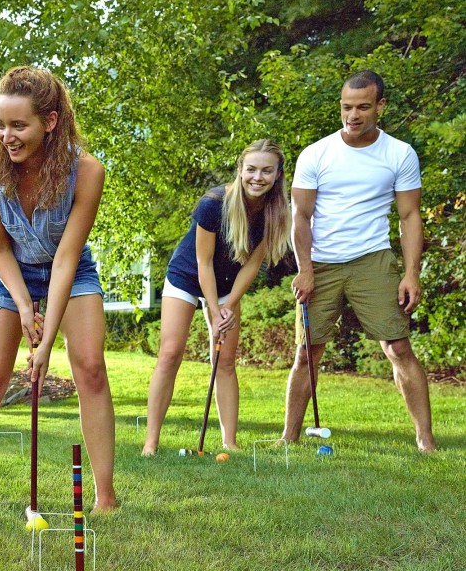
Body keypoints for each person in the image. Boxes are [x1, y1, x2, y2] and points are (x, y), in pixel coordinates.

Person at [0, 66, 117, 521]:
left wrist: (45, 342)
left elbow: (66, 259)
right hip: (12, 273)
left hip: (69, 273)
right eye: (1, 124)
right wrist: (22, 306)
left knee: (91, 370)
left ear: (50, 122)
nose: (7, 135)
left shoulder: (87, 172)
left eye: (19, 125)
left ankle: (105, 496)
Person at [281, 70, 437, 452]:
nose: (353, 115)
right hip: (321, 264)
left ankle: (426, 440)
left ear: (380, 106)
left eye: (363, 107)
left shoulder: (399, 153)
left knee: (398, 348)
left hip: (373, 259)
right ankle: (289, 438)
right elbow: (299, 216)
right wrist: (305, 269)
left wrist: (412, 273)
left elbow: (409, 216)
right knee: (307, 353)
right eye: (347, 107)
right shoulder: (316, 154)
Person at [142, 140, 291, 455]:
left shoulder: (275, 211)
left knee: (224, 361)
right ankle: (150, 444)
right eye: (251, 169)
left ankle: (230, 443)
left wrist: (228, 304)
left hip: (229, 283)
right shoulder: (213, 203)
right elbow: (203, 262)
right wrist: (213, 308)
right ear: (240, 170)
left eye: (266, 170)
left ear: (278, 175)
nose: (257, 177)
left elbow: (253, 264)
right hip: (187, 276)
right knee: (170, 353)